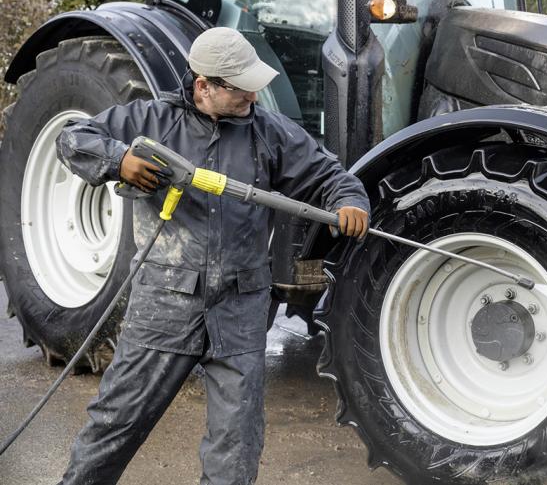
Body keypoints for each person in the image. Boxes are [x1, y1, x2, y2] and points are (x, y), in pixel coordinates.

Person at [54, 27, 370, 485]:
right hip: (165, 305)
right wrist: (118, 159)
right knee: (116, 424)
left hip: (240, 306)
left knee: (237, 445)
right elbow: (72, 138)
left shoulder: (269, 132)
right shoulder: (151, 121)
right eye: (241, 89)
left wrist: (350, 202)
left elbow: (330, 176)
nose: (253, 97)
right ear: (204, 86)